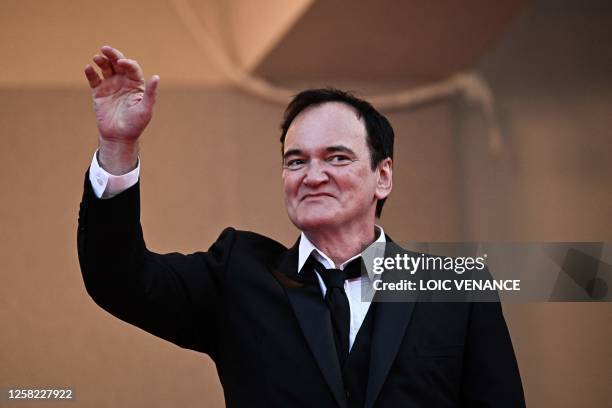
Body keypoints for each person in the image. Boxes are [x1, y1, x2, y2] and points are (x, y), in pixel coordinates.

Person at [78, 45, 526, 407]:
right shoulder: (237, 274)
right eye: (297, 161)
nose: (313, 176)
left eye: (337, 157)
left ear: (383, 177)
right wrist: (119, 146)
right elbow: (119, 280)